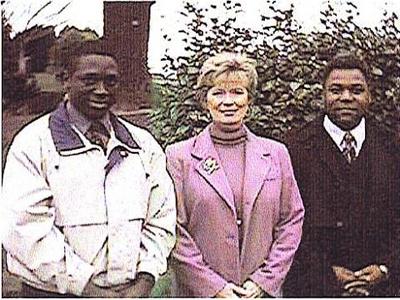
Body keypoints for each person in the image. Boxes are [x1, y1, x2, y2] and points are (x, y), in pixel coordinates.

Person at [1, 42, 176, 297]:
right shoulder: (34, 143)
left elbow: (161, 219)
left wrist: (146, 279)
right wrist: (85, 287)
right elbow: (24, 227)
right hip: (53, 293)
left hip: (129, 292)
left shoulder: (143, 145)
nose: (101, 90)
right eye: (89, 80)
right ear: (65, 80)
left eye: (111, 81)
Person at [166, 52, 304, 298]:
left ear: (249, 99)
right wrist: (214, 288)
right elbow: (174, 230)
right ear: (204, 100)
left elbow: (291, 221)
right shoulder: (179, 157)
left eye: (237, 92)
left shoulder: (276, 154)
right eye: (218, 92)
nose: (228, 101)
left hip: (260, 294)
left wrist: (263, 282)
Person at [284, 53, 400, 297]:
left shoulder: (392, 147)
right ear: (324, 95)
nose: (346, 97)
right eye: (336, 90)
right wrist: (325, 272)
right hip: (312, 288)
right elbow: (284, 224)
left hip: (385, 289)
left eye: (356, 90)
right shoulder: (293, 148)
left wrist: (385, 267)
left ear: (370, 95)